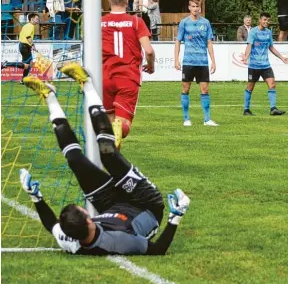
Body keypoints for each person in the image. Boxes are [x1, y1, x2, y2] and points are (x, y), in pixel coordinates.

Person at [20, 66, 190, 255]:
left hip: (110, 204)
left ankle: (49, 96)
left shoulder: (70, 239)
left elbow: (52, 224)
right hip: (146, 205)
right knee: (108, 153)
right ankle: (87, 84)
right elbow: (158, 250)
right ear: (89, 219)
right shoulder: (118, 242)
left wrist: (35, 196)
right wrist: (176, 215)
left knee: (75, 160)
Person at [102, 0, 155, 148]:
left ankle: (112, 166)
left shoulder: (100, 23)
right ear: (127, 1)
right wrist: (151, 66)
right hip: (128, 78)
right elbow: (149, 51)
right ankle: (119, 134)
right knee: (122, 126)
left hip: (105, 77)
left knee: (110, 124)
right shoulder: (136, 22)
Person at [174, 0, 218, 127]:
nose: (195, 9)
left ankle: (207, 119)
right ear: (189, 7)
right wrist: (176, 59)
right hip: (188, 61)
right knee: (185, 89)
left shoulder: (206, 23)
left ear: (200, 8)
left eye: (197, 6)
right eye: (192, 6)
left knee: (205, 90)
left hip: (202, 62)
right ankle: (186, 118)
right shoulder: (184, 23)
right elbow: (178, 41)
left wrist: (213, 61)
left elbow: (209, 42)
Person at [241, 12, 288, 116]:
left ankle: (273, 109)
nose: (266, 22)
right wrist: (246, 57)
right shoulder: (253, 32)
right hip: (254, 65)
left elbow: (271, 47)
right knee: (250, 86)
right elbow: (249, 45)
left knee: (272, 84)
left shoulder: (268, 32)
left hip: (265, 65)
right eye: (264, 20)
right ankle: (246, 109)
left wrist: (282, 58)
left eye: (268, 20)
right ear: (260, 20)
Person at [1, 13, 40, 84]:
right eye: (36, 19)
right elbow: (28, 36)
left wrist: (30, 46)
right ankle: (6, 64)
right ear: (32, 19)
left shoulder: (26, 26)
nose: (38, 20)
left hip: (24, 46)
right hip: (24, 46)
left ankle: (23, 80)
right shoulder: (30, 26)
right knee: (26, 65)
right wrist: (33, 45)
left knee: (29, 64)